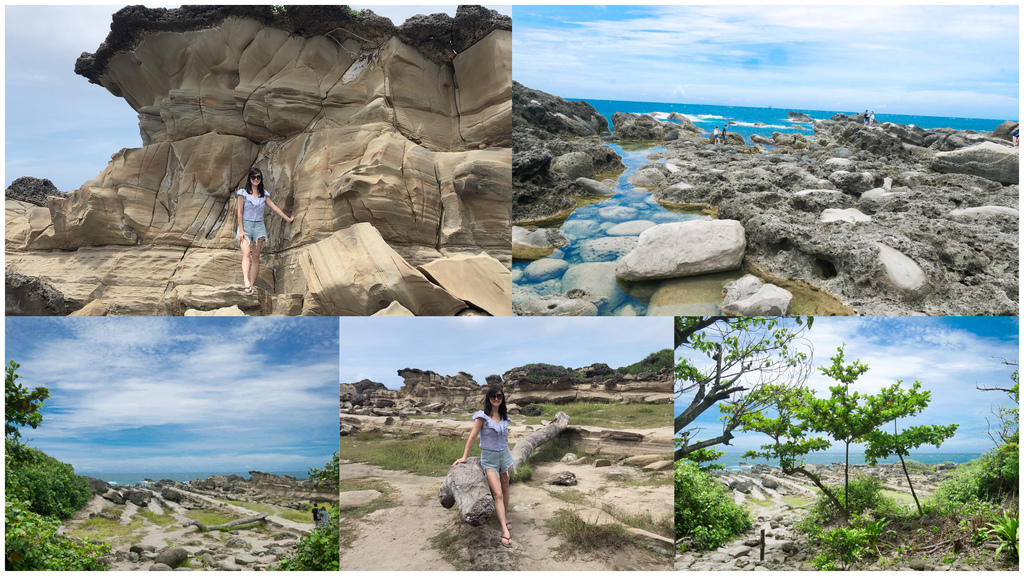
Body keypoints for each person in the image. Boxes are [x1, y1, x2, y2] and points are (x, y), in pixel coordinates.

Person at [452, 385, 514, 548]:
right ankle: (504, 529)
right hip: (490, 458)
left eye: (499, 396)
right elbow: (472, 437)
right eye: (492, 396)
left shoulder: (504, 415)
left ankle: (504, 517)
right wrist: (464, 457)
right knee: (498, 493)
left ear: (502, 398)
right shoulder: (482, 417)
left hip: (505, 456)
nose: (496, 399)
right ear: (488, 398)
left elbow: (505, 438)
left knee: (506, 488)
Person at [236, 167, 294, 295]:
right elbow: (239, 213)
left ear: (261, 179)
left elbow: (275, 208)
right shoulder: (243, 193)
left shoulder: (264, 195)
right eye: (253, 177)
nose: (256, 179)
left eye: (258, 177)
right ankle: (245, 281)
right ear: (250, 179)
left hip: (259, 227)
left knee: (256, 257)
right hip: (245, 225)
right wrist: (241, 231)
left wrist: (288, 219)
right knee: (246, 254)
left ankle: (251, 285)